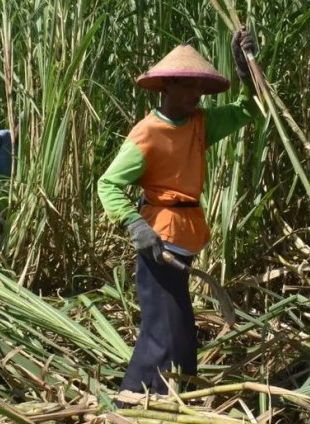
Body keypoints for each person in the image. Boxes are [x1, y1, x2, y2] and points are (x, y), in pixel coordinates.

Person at [97, 29, 260, 396]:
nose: (196, 94)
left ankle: (179, 395)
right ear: (167, 86)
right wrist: (135, 224)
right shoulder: (148, 134)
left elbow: (247, 110)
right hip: (159, 238)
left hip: (185, 235)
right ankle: (132, 402)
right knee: (163, 328)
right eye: (188, 86)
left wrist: (247, 72)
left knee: (180, 327)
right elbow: (108, 184)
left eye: (199, 87)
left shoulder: (200, 124)